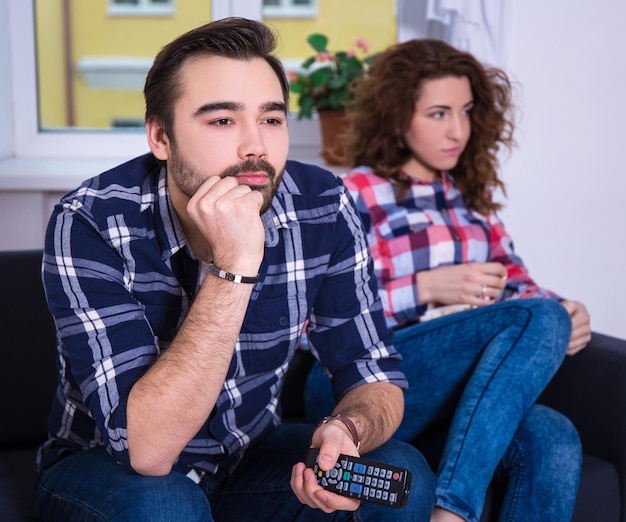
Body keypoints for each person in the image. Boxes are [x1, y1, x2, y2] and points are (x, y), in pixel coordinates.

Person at [34, 18, 437, 522]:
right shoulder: (90, 220)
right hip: (113, 470)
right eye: (222, 120)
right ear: (161, 137)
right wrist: (233, 268)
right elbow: (147, 451)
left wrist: (348, 429)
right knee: (163, 502)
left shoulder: (323, 205)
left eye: (271, 119)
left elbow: (372, 369)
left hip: (249, 456)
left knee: (402, 474)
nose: (256, 147)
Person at [304, 39, 591, 522]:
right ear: (398, 117)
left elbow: (523, 290)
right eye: (439, 113)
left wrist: (568, 310)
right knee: (540, 317)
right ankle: (452, 512)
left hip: (452, 391)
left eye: (466, 111)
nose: (457, 129)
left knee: (552, 436)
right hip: (364, 384)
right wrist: (424, 288)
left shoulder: (470, 202)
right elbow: (312, 316)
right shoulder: (352, 193)